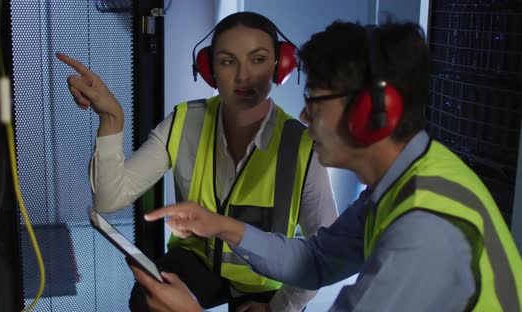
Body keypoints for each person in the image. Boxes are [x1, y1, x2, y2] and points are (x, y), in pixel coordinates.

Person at [129, 20, 522, 311]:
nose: (302, 115)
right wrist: (221, 226)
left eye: (315, 101)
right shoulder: (408, 180)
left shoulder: (423, 230)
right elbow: (315, 260)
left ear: (371, 112)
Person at [57, 11, 338, 312]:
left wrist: (280, 307)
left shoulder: (303, 145)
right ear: (209, 70)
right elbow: (109, 199)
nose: (243, 76)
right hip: (199, 261)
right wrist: (112, 118)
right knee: (148, 299)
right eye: (228, 61)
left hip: (266, 279)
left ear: (280, 67)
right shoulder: (185, 121)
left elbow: (327, 251)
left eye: (258, 59)